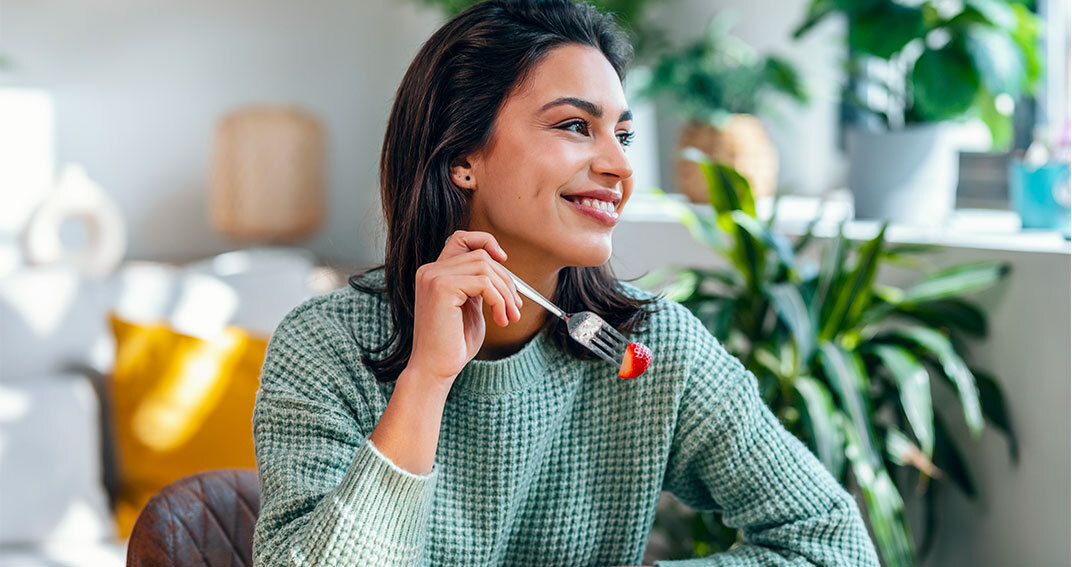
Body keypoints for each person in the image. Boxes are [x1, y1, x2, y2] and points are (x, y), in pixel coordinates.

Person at [250, 1, 880, 565]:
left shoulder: (653, 349)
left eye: (623, 134)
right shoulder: (324, 348)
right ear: (463, 157)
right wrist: (425, 381)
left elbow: (831, 541)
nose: (619, 166)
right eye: (576, 126)